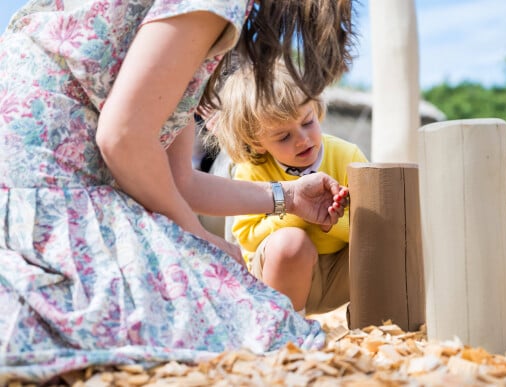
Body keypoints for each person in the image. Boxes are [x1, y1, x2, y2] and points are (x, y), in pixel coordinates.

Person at [0, 0, 355, 382]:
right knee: (248, 331)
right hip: (50, 199)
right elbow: (122, 139)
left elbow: (177, 181)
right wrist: (198, 239)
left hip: (44, 195)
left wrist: (288, 197)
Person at [211, 61, 368, 317]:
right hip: (279, 280)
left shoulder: (346, 155)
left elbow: (371, 228)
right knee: (290, 244)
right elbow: (247, 234)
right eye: (283, 137)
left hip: (340, 273)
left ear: (315, 109)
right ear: (257, 142)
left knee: (386, 239)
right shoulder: (253, 170)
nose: (302, 140)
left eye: (307, 123)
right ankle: (286, 326)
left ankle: (376, 324)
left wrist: (331, 223)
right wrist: (294, 212)